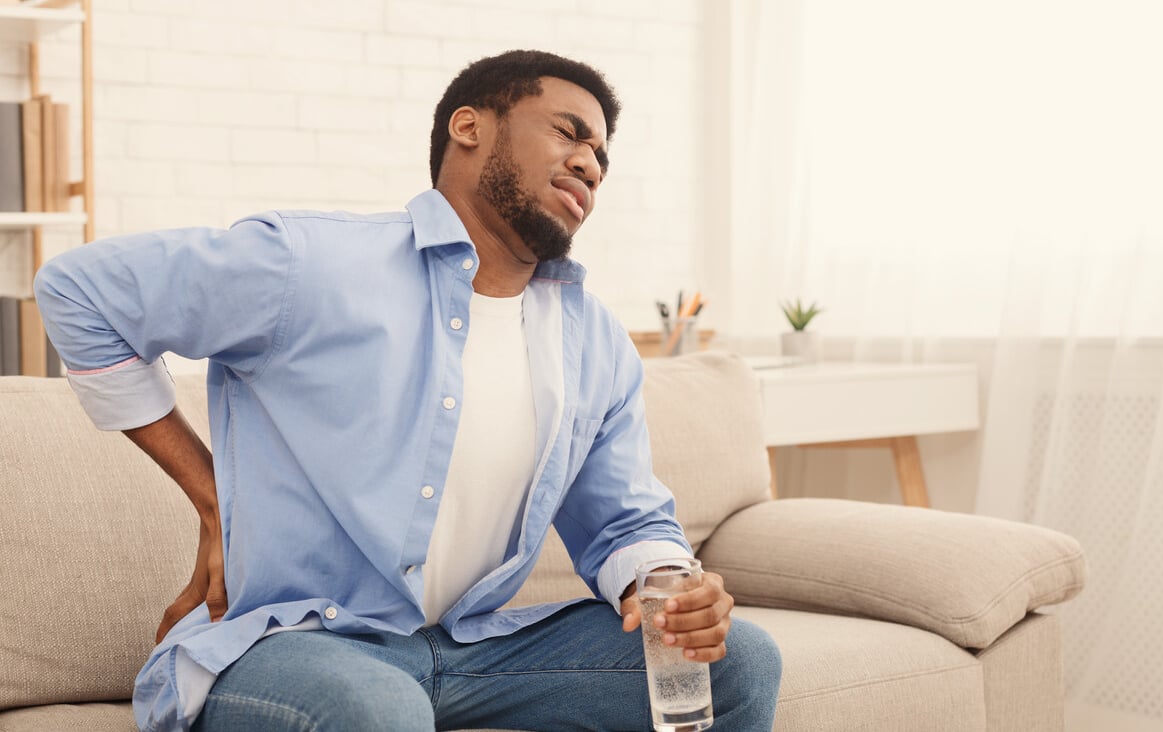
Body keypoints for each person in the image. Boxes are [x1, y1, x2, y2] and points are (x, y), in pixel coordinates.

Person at [35, 50, 782, 731]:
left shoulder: (594, 341)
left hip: (469, 650)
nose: (589, 163)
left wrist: (670, 587)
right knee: (375, 708)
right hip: (299, 644)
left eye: (600, 157)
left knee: (740, 664)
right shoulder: (314, 264)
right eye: (568, 132)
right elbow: (78, 291)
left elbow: (623, 522)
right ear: (470, 127)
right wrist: (212, 499)